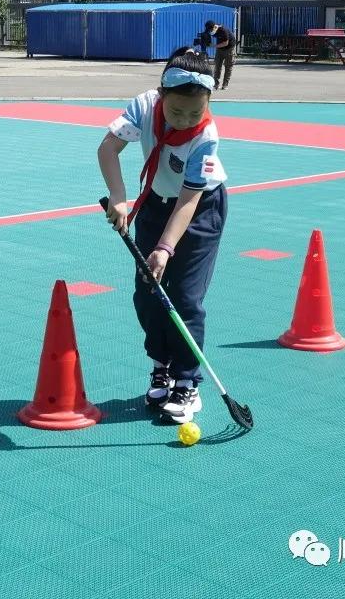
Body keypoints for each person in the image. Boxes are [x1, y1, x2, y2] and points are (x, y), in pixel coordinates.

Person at [97, 47, 228, 424]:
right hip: (155, 203)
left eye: (195, 112)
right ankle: (162, 366)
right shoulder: (144, 106)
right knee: (148, 293)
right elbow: (108, 148)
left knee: (185, 297)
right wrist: (119, 196)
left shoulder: (206, 136)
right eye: (176, 111)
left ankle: (187, 382)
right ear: (161, 95)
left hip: (200, 210)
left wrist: (165, 248)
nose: (185, 120)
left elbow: (189, 198)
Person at [204, 20, 236, 90]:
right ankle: (216, 84)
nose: (210, 31)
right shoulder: (211, 30)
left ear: (214, 27)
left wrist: (214, 46)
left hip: (229, 48)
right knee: (217, 66)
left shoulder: (223, 30)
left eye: (210, 30)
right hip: (220, 48)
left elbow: (226, 43)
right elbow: (207, 36)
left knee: (228, 66)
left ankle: (225, 85)